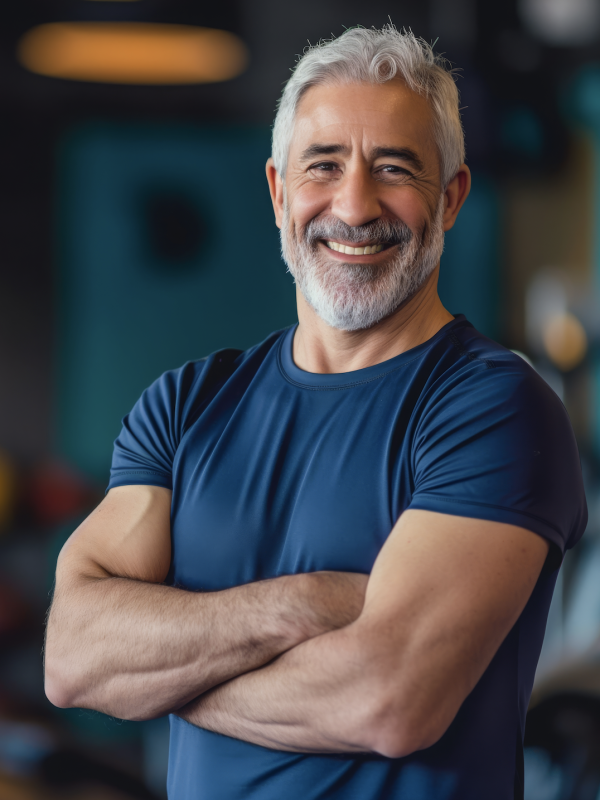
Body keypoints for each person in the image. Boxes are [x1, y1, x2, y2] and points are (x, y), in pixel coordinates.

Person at [44, 25, 587, 800]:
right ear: (277, 192)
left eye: (394, 168)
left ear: (452, 197)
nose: (355, 205)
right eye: (324, 165)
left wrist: (163, 682)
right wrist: (305, 604)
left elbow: (386, 700)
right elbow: (72, 657)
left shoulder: (494, 409)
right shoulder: (185, 407)